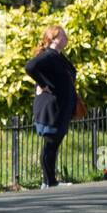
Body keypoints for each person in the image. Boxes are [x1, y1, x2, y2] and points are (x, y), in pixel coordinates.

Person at [25, 24, 78, 188]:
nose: (66, 37)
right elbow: (30, 67)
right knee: (50, 143)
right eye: (62, 35)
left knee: (54, 144)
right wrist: (43, 83)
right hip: (51, 108)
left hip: (62, 107)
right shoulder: (48, 55)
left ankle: (51, 180)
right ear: (54, 38)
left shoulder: (59, 56)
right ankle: (48, 182)